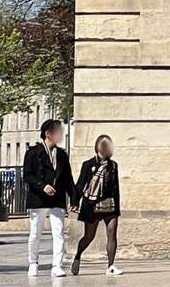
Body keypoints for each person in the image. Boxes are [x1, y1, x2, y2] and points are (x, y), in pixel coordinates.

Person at [23, 118, 78, 276]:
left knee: (59, 232)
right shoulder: (33, 153)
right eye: (58, 131)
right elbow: (27, 175)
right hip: (38, 198)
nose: (61, 134)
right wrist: (42, 186)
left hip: (57, 198)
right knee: (35, 233)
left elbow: (68, 179)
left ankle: (57, 265)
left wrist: (74, 199)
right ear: (48, 133)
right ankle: (33, 262)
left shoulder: (62, 154)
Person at [73, 135, 122, 274]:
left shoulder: (113, 165)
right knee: (89, 236)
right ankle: (77, 256)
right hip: (91, 205)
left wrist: (117, 208)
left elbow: (115, 187)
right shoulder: (88, 165)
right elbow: (80, 184)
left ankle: (110, 266)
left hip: (109, 204)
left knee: (112, 232)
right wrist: (75, 202)